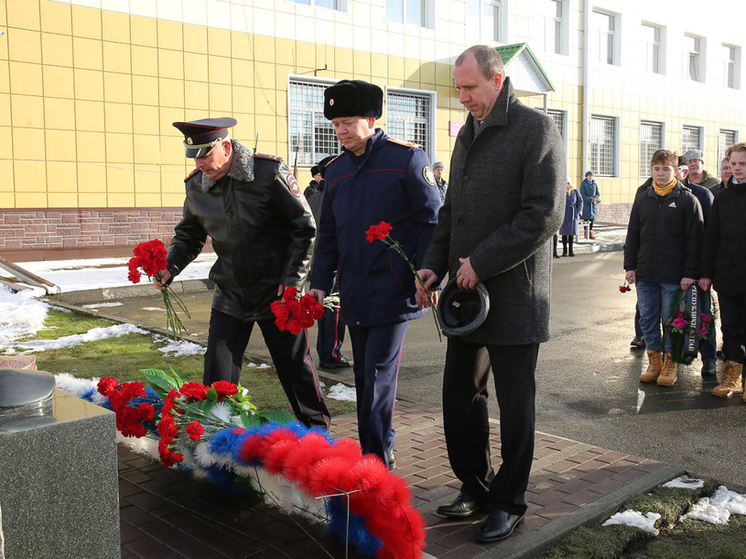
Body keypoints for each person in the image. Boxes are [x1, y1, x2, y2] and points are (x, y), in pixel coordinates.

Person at [415, 45, 565, 544]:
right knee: (461, 397)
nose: (461, 97)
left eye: (469, 87)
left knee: (515, 404)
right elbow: (451, 211)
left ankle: (508, 501)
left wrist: (481, 262)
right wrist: (433, 265)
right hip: (465, 300)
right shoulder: (466, 135)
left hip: (516, 296)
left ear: (497, 80)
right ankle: (476, 487)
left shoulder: (537, 129)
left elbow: (543, 214)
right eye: (457, 88)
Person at [157, 117, 330, 430]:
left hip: (276, 294)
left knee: (294, 367)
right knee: (218, 374)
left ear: (226, 147)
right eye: (194, 157)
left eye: (205, 155)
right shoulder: (196, 187)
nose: (200, 164)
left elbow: (304, 228)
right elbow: (188, 236)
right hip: (230, 294)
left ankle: (317, 429)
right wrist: (169, 266)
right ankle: (216, 435)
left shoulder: (268, 174)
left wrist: (292, 281)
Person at [309, 80, 440, 470]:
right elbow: (328, 234)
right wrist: (319, 282)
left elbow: (431, 222)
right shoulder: (336, 170)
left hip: (393, 289)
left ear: (370, 119)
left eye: (348, 122)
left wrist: (426, 275)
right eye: (335, 124)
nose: (341, 131)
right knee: (366, 378)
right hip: (353, 291)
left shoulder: (406, 160)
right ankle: (383, 442)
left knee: (378, 377)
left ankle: (373, 460)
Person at [624, 149, 704, 387]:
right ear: (651, 169)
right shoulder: (643, 197)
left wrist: (690, 273)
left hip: (674, 276)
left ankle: (670, 363)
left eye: (666, 169)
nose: (660, 173)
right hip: (645, 273)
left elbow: (695, 241)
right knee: (648, 320)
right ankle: (654, 362)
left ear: (677, 171)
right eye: (656, 169)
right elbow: (633, 235)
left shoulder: (688, 200)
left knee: (671, 320)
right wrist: (630, 266)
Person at [700, 142, 746, 400]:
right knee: (730, 328)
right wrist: (707, 273)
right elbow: (712, 238)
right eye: (733, 164)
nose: (737, 168)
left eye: (742, 164)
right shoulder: (723, 196)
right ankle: (733, 376)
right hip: (727, 275)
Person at [305, 157, 351, 370]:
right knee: (334, 308)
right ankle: (331, 354)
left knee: (325, 307)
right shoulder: (331, 196)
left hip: (317, 260)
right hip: (332, 260)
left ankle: (326, 352)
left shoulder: (314, 196)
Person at [679, 155, 717, 375]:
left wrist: (705, 271)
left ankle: (709, 359)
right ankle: (678, 358)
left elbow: (709, 238)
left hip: (698, 270)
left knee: (702, 314)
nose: (679, 173)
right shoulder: (661, 194)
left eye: (683, 169)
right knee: (676, 316)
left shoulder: (703, 195)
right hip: (673, 269)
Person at [559, 177, 583, 257]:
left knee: (571, 234)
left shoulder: (575, 192)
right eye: (566, 183)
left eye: (568, 183)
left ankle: (571, 250)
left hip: (573, 215)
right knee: (564, 234)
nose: (567, 185)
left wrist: (577, 211)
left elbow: (580, 202)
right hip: (565, 215)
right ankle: (564, 250)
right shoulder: (561, 192)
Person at [580, 171, 600, 239]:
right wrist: (589, 199)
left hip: (593, 204)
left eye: (591, 176)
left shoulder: (594, 184)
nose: (590, 177)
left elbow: (598, 193)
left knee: (591, 219)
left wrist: (595, 198)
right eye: (589, 176)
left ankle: (591, 233)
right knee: (586, 219)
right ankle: (586, 233)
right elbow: (582, 194)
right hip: (586, 204)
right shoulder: (584, 184)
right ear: (586, 177)